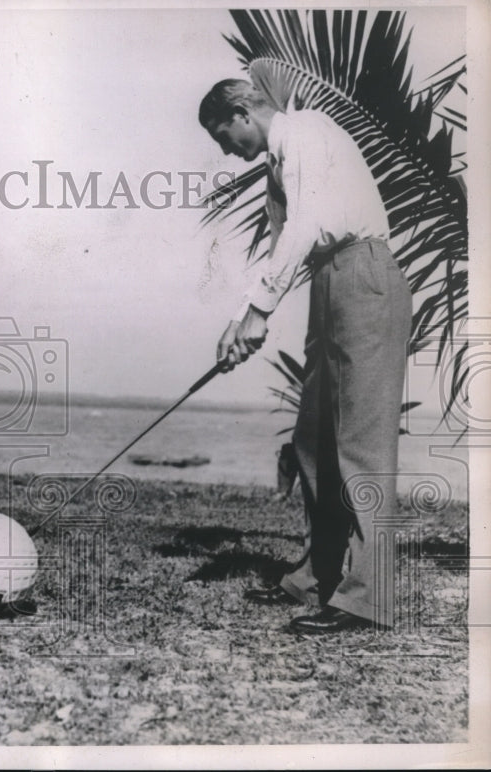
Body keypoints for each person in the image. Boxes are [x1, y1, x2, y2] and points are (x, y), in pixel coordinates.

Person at [198, 80, 412, 633]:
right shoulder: (279, 161)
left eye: (225, 137)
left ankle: (369, 596)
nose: (227, 152)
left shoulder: (308, 132)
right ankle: (319, 575)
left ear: (242, 113)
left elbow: (306, 227)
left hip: (362, 277)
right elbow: (281, 249)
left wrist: (259, 312)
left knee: (361, 444)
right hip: (330, 282)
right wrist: (241, 316)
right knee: (314, 438)